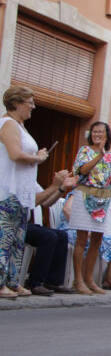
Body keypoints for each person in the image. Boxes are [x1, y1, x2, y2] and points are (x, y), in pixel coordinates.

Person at [0, 86, 49, 299]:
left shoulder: (20, 125)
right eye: (30, 103)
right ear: (17, 103)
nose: (33, 107)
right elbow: (14, 154)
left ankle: (12, 280)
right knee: (4, 238)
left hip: (21, 193)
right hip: (8, 191)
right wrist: (37, 159)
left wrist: (37, 154)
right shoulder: (9, 124)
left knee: (17, 240)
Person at [69, 121, 111, 295]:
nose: (97, 134)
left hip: (102, 201)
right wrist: (98, 155)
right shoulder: (85, 151)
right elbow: (83, 171)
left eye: (101, 132)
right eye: (95, 132)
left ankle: (89, 279)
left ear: (106, 135)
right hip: (85, 196)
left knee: (97, 240)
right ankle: (78, 280)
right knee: (81, 240)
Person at [24, 170, 78, 296]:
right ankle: (34, 283)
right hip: (14, 225)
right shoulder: (14, 178)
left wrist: (62, 187)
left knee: (61, 236)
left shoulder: (31, 179)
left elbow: (46, 202)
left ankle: (53, 281)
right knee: (48, 237)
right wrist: (54, 185)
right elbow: (32, 203)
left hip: (25, 224)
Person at [59, 193, 111, 291]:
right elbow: (66, 209)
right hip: (71, 228)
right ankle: (79, 280)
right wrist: (78, 225)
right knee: (83, 240)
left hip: (95, 217)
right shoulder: (77, 192)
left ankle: (108, 279)